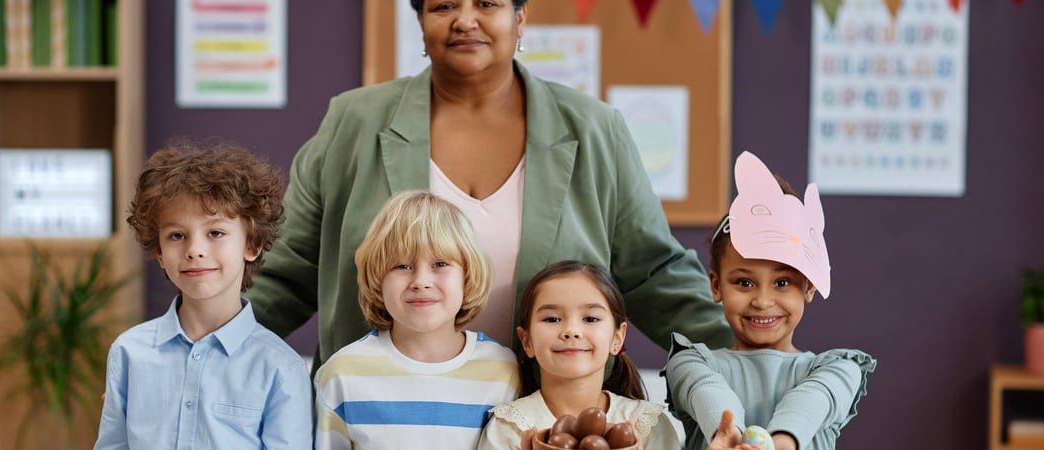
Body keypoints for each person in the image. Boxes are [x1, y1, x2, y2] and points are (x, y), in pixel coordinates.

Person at [248, 0, 731, 374]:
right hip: (383, 416)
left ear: (521, 19)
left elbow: (655, 276)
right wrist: (200, 346)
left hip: (548, 420)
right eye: (443, 6)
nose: (464, 20)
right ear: (420, 23)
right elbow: (287, 274)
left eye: (487, 4)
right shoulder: (352, 122)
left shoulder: (594, 128)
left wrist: (755, 356)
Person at [94, 139, 313, 449]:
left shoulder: (282, 369)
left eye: (215, 233)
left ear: (251, 245)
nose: (195, 250)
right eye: (177, 235)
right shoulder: (128, 353)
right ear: (159, 252)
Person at [664, 151, 876, 450]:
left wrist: (781, 443)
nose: (763, 301)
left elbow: (811, 401)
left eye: (782, 283)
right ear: (716, 285)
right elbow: (707, 392)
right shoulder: (690, 362)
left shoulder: (840, 369)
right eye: (744, 282)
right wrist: (730, 436)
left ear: (809, 287)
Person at [313, 190, 519, 449]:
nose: (421, 281)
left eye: (440, 264)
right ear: (378, 279)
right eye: (402, 266)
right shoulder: (341, 374)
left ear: (467, 276)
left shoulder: (503, 371)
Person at [477, 260, 683, 450]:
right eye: (551, 319)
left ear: (617, 338)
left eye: (591, 319)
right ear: (526, 341)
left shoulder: (646, 425)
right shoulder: (510, 427)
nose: (571, 330)